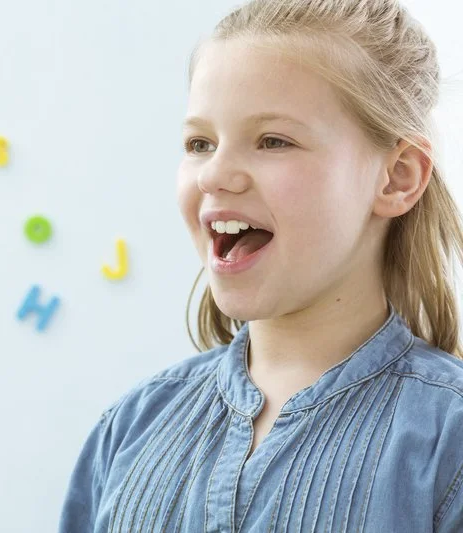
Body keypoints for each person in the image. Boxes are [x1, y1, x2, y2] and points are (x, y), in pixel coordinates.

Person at [57, 0, 463, 531]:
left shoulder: (447, 441)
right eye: (199, 143)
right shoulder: (132, 427)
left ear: (397, 178)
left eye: (274, 141)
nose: (214, 175)